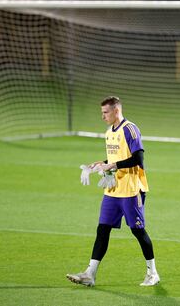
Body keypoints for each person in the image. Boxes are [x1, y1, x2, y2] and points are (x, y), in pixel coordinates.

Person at [66, 96, 160, 287]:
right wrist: (98, 165)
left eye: (105, 112)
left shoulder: (130, 129)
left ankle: (153, 273)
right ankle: (90, 274)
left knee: (137, 231)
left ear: (116, 111)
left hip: (131, 190)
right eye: (102, 113)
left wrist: (113, 165)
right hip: (112, 189)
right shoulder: (109, 132)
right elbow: (114, 158)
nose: (103, 117)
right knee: (102, 229)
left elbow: (138, 159)